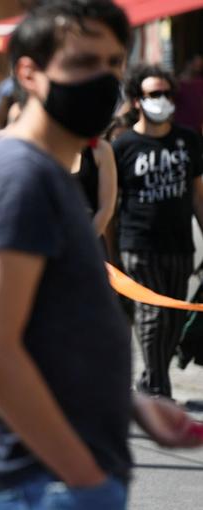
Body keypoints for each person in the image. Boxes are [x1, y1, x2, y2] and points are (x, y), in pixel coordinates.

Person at [0, 2, 203, 510]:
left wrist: (128, 405)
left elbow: (48, 338)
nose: (103, 78)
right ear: (29, 73)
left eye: (113, 63)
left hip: (55, 482)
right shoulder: (19, 178)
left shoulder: (44, 172)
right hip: (43, 487)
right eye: (84, 62)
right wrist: (83, 476)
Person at [113, 63, 203, 399]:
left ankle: (155, 377)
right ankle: (156, 385)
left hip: (179, 244)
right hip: (139, 243)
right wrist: (111, 252)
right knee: (151, 314)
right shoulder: (124, 147)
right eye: (154, 94)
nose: (161, 100)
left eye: (166, 93)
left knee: (174, 316)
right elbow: (113, 202)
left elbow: (197, 194)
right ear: (137, 100)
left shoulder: (188, 141)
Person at [71, 137, 117, 236]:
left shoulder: (101, 149)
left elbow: (106, 208)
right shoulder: (49, 146)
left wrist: (84, 241)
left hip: (89, 239)